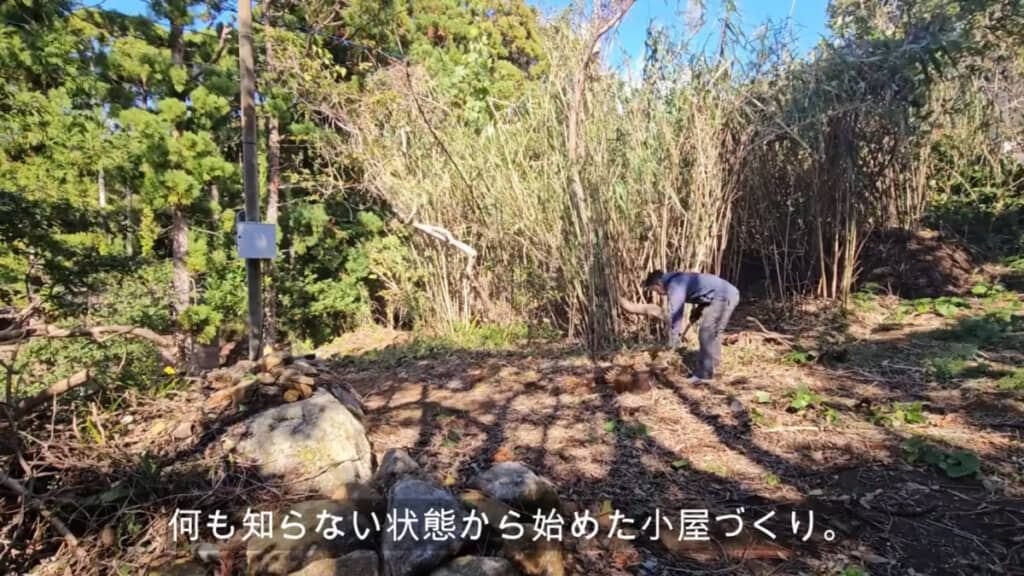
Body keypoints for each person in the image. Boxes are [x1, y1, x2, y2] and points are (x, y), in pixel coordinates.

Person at [644, 270, 740, 382]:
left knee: (706, 332)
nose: (658, 293)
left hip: (723, 297)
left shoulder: (675, 285)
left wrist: (673, 341)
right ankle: (712, 367)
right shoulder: (679, 279)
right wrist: (696, 313)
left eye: (655, 290)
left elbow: (676, 315)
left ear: (659, 283)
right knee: (713, 333)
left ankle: (704, 375)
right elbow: (705, 293)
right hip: (728, 294)